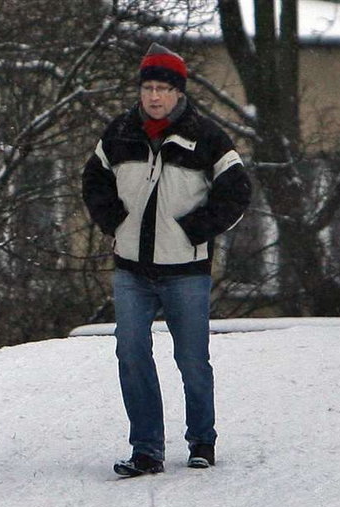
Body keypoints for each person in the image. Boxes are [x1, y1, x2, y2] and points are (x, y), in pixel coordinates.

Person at [81, 43, 251, 476]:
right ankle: (147, 449)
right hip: (131, 269)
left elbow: (237, 191)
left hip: (186, 271)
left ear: (179, 93)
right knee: (131, 353)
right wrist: (114, 222)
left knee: (192, 358)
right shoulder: (119, 133)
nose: (154, 96)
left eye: (163, 89)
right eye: (148, 88)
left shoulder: (207, 136)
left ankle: (201, 440)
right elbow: (93, 180)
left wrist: (198, 229)